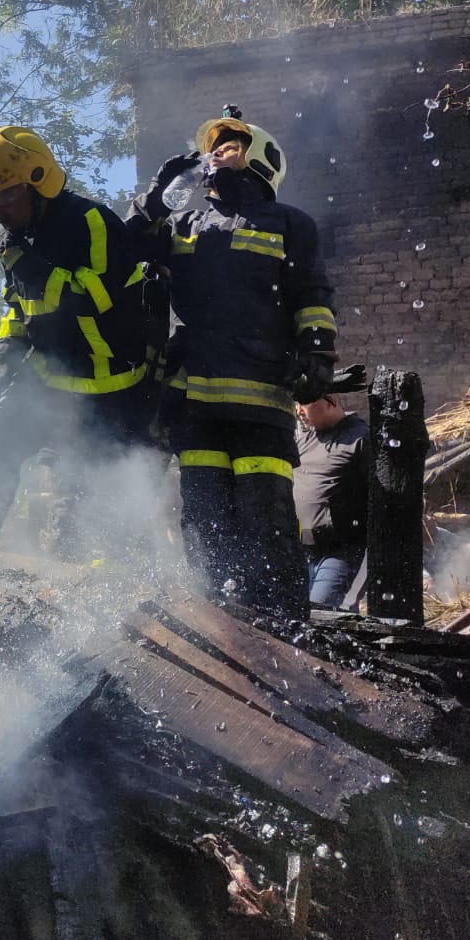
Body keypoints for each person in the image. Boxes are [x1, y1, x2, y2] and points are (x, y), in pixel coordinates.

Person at [127, 107, 337, 616]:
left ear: (262, 159)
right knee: (204, 524)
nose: (217, 154)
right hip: (196, 403)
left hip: (260, 401)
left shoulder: (290, 223)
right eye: (214, 146)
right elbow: (126, 246)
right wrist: (154, 199)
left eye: (231, 146)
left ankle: (286, 629)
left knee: (266, 519)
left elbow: (312, 292)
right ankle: (219, 627)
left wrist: (316, 350)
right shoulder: (183, 223)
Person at [0, 125, 150, 553]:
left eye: (4, 198)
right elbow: (16, 306)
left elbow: (98, 297)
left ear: (38, 182)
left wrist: (34, 269)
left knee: (95, 491)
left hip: (109, 386)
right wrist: (7, 351)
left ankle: (107, 582)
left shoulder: (92, 222)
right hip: (47, 376)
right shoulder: (16, 239)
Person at [295, 394, 369, 608]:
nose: (299, 411)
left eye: (304, 403)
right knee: (300, 615)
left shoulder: (361, 438)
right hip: (305, 551)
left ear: (331, 401)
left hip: (344, 552)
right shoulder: (303, 441)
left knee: (326, 611)